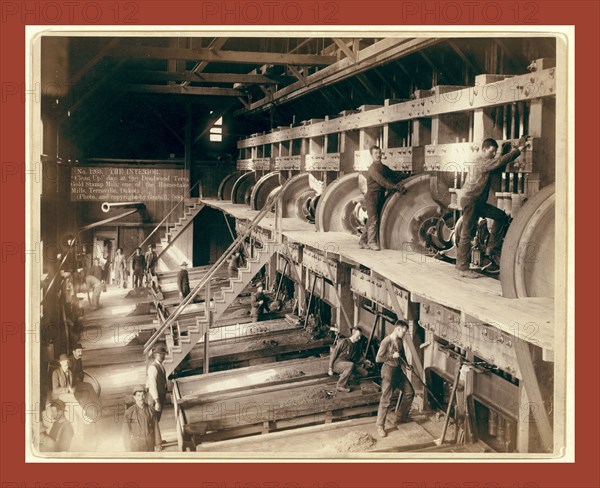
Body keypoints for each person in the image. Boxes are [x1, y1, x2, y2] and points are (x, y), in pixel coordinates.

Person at [456, 137, 527, 278]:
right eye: (492, 151)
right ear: (483, 150)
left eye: (495, 152)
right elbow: (498, 163)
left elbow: (497, 164)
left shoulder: (486, 162)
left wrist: (504, 152)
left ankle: (491, 250)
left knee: (500, 216)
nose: (494, 154)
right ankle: (462, 268)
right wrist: (518, 150)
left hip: (478, 202)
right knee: (467, 234)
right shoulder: (481, 161)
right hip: (471, 201)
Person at [359, 145, 408, 251]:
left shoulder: (383, 168)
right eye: (376, 153)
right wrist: (395, 187)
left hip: (380, 196)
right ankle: (371, 242)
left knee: (372, 219)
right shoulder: (372, 169)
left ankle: (362, 241)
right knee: (374, 219)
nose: (378, 155)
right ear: (371, 156)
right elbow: (382, 181)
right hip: (372, 197)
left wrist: (408, 176)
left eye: (379, 152)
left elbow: (395, 175)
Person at [375, 321, 415, 438]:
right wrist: (392, 356)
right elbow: (378, 358)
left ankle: (401, 417)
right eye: (404, 331)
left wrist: (406, 365)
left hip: (398, 371)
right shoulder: (386, 341)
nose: (404, 334)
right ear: (398, 329)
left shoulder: (399, 340)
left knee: (409, 392)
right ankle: (380, 426)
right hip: (388, 371)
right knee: (386, 399)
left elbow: (401, 354)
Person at [328, 326, 372, 392]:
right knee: (350, 365)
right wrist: (330, 368)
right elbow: (333, 355)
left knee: (365, 373)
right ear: (353, 334)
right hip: (338, 364)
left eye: (360, 336)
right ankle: (340, 386)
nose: (359, 338)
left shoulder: (357, 345)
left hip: (350, 364)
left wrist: (365, 361)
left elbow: (359, 357)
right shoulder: (344, 342)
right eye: (358, 336)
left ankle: (348, 376)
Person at [122, 385, 162, 452]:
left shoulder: (151, 410)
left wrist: (158, 445)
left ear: (145, 396)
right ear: (134, 397)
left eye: (143, 395)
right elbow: (125, 431)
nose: (141, 398)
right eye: (138, 395)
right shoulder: (129, 412)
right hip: (136, 444)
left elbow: (156, 428)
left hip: (150, 443)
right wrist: (127, 448)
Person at [146, 346, 168, 423]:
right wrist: (157, 401)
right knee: (152, 421)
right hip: (154, 399)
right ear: (156, 355)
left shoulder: (160, 366)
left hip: (160, 396)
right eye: (161, 354)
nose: (163, 356)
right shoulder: (153, 367)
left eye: (163, 354)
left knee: (156, 420)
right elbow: (152, 386)